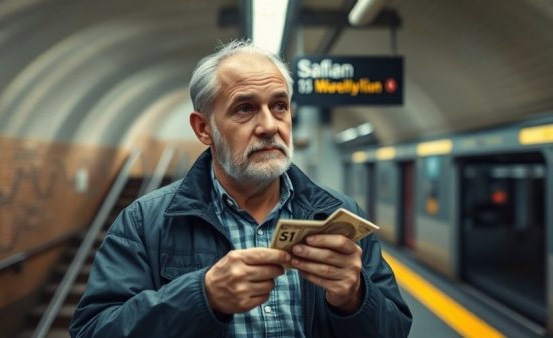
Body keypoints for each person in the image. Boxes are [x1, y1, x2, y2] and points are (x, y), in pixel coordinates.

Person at [69, 39, 412, 338]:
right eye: (245, 109)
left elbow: (394, 329)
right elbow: (94, 329)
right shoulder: (145, 222)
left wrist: (354, 298)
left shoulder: (339, 213)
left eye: (279, 106)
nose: (268, 126)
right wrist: (202, 297)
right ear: (204, 129)